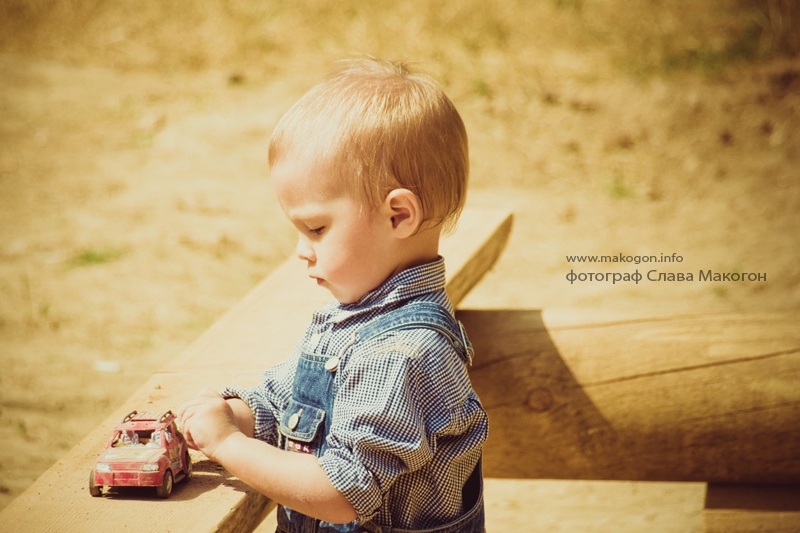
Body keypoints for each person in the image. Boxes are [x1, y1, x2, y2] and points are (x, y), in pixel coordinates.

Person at [178, 58, 487, 533]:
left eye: (316, 228)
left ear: (399, 216)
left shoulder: (403, 354)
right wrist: (230, 415)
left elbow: (342, 493)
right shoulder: (351, 319)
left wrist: (227, 445)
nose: (301, 251)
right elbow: (284, 403)